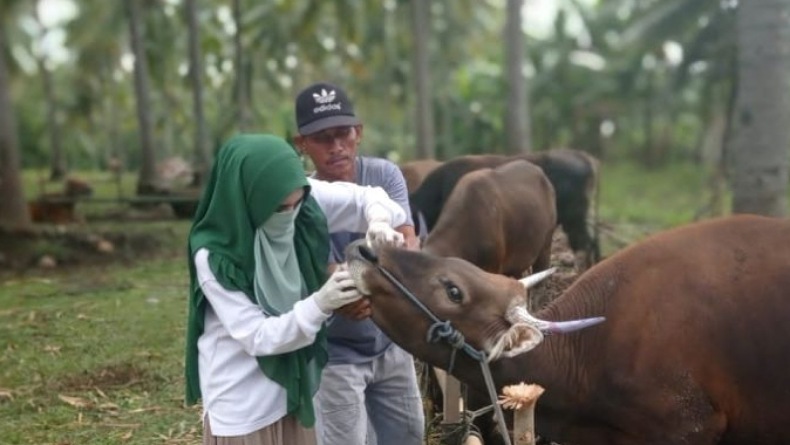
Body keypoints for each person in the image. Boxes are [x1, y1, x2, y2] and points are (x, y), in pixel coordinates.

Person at [184, 133, 408, 445]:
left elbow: (367, 197)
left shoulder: (301, 199)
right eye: (279, 209)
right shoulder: (215, 258)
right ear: (247, 199)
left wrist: (379, 222)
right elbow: (258, 337)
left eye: (296, 204)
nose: (289, 215)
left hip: (294, 392)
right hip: (243, 406)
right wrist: (321, 303)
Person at [292, 81, 425, 445]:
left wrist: (352, 284)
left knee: (409, 437)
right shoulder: (300, 196)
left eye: (343, 134)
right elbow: (322, 269)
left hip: (391, 340)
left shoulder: (383, 175)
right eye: (322, 138)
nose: (336, 147)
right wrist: (353, 285)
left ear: (359, 133)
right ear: (301, 144)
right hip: (335, 353)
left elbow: (405, 247)